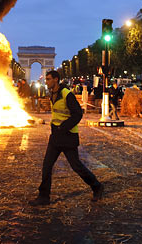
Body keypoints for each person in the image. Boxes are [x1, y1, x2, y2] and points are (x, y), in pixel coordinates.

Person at [29, 70, 103, 206]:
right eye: (46, 79)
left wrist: (63, 127)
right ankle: (44, 196)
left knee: (76, 166)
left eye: (49, 79)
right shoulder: (53, 94)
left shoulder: (66, 94)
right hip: (56, 136)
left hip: (68, 136)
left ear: (56, 80)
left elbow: (78, 114)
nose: (47, 81)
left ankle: (97, 186)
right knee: (47, 166)